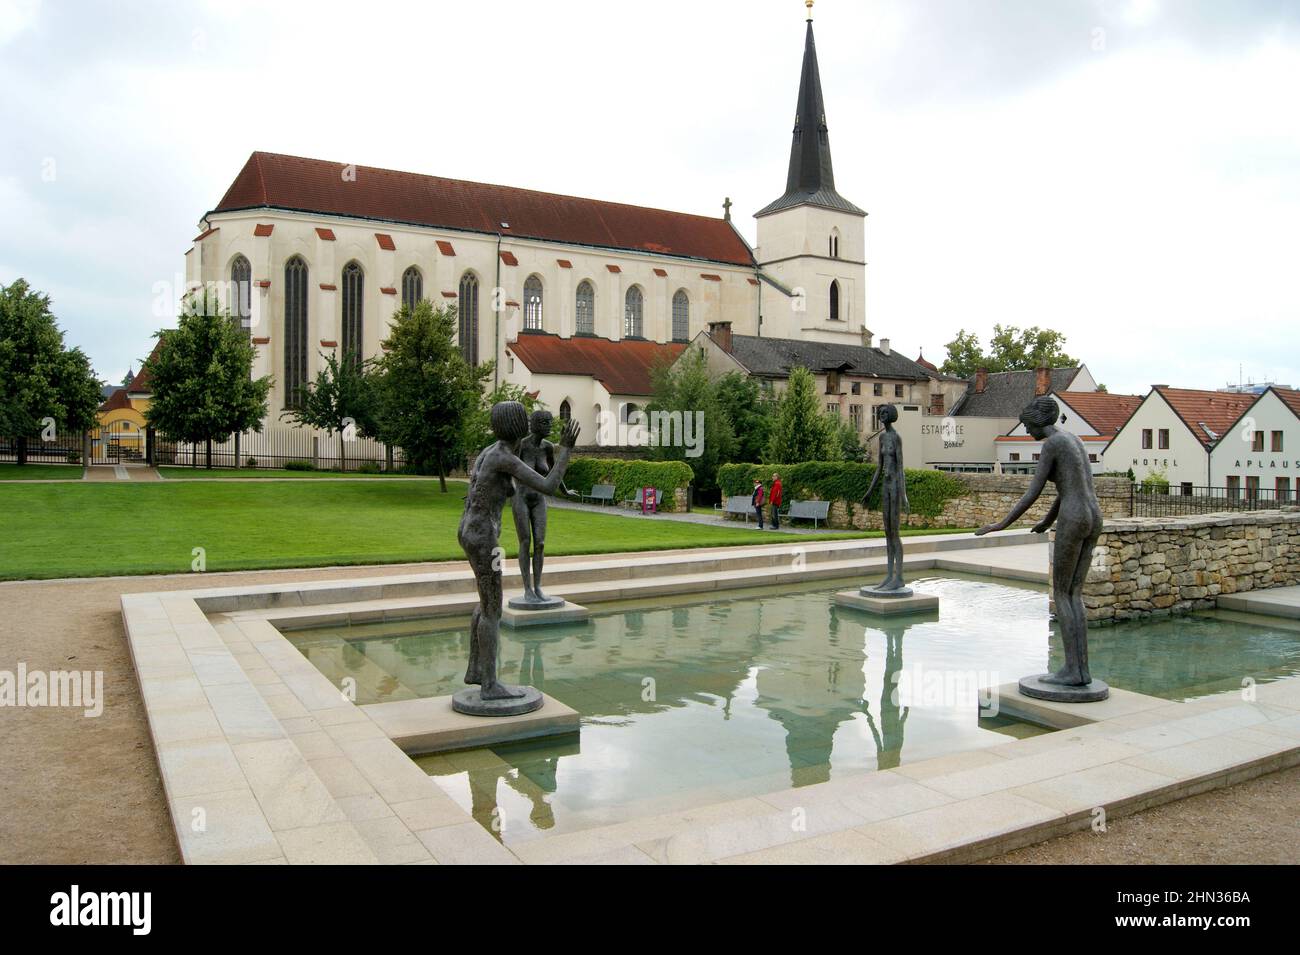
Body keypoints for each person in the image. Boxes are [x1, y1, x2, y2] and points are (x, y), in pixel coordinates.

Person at [976, 395, 1103, 688]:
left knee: (1062, 593)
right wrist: (1047, 521)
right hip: (1093, 515)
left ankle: (1073, 670)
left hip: (1074, 517)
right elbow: (1070, 487)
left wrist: (1000, 524)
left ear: (1037, 421)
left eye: (1026, 425)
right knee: (1075, 594)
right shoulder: (1074, 440)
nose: (1025, 432)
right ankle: (1081, 671)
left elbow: (1032, 492)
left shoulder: (1051, 444)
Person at [458, 401, 580, 700]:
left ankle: (476, 670)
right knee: (493, 609)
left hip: (470, 531)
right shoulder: (503, 457)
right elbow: (549, 485)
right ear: (518, 425)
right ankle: (490, 685)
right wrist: (566, 450)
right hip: (483, 537)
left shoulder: (493, 450)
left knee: (485, 601)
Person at [861, 404, 910, 592]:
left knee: (895, 533)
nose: (881, 415)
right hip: (885, 487)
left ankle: (900, 577)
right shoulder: (881, 437)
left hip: (896, 487)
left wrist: (904, 496)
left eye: (884, 413)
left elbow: (900, 468)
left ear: (891, 415)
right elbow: (879, 467)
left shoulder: (896, 438)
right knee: (887, 533)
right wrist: (869, 491)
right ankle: (889, 575)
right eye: (880, 413)